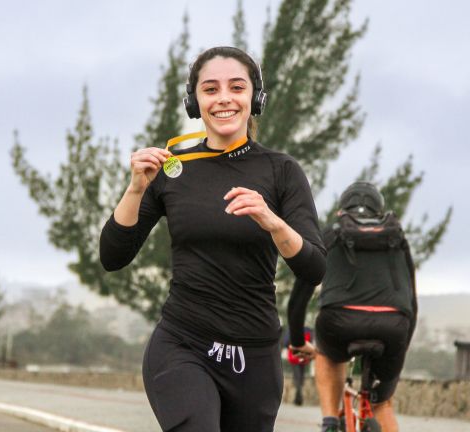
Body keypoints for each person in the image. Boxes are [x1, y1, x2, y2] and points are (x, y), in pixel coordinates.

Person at [100, 46, 326, 431]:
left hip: (254, 358)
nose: (224, 98)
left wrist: (273, 223)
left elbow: (314, 266)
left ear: (254, 98)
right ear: (194, 101)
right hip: (183, 344)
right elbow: (113, 256)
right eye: (210, 89)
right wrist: (136, 189)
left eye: (236, 87)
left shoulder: (282, 171)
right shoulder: (173, 169)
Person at [288, 182, 417, 432]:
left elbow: (299, 295)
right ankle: (377, 407)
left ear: (340, 211)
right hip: (393, 326)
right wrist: (400, 350)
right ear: (379, 212)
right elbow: (412, 301)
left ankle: (329, 421)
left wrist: (296, 340)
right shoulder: (396, 237)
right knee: (381, 406)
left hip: (338, 322)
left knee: (328, 353)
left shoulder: (331, 233)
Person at [284, 326, 313, 406]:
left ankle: (298, 399)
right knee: (300, 377)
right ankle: (298, 398)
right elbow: (311, 343)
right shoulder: (308, 330)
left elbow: (286, 343)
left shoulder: (291, 329)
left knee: (297, 377)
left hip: (294, 356)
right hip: (304, 356)